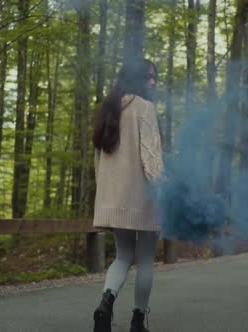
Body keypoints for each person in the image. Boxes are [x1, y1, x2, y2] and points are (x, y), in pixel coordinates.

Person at [91, 58, 164, 332]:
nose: (153, 82)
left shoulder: (108, 109)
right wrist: (164, 190)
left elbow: (98, 159)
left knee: (122, 256)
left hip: (115, 197)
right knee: (145, 260)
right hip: (143, 197)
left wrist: (105, 194)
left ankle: (105, 305)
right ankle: (137, 322)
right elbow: (151, 158)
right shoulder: (145, 108)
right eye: (149, 77)